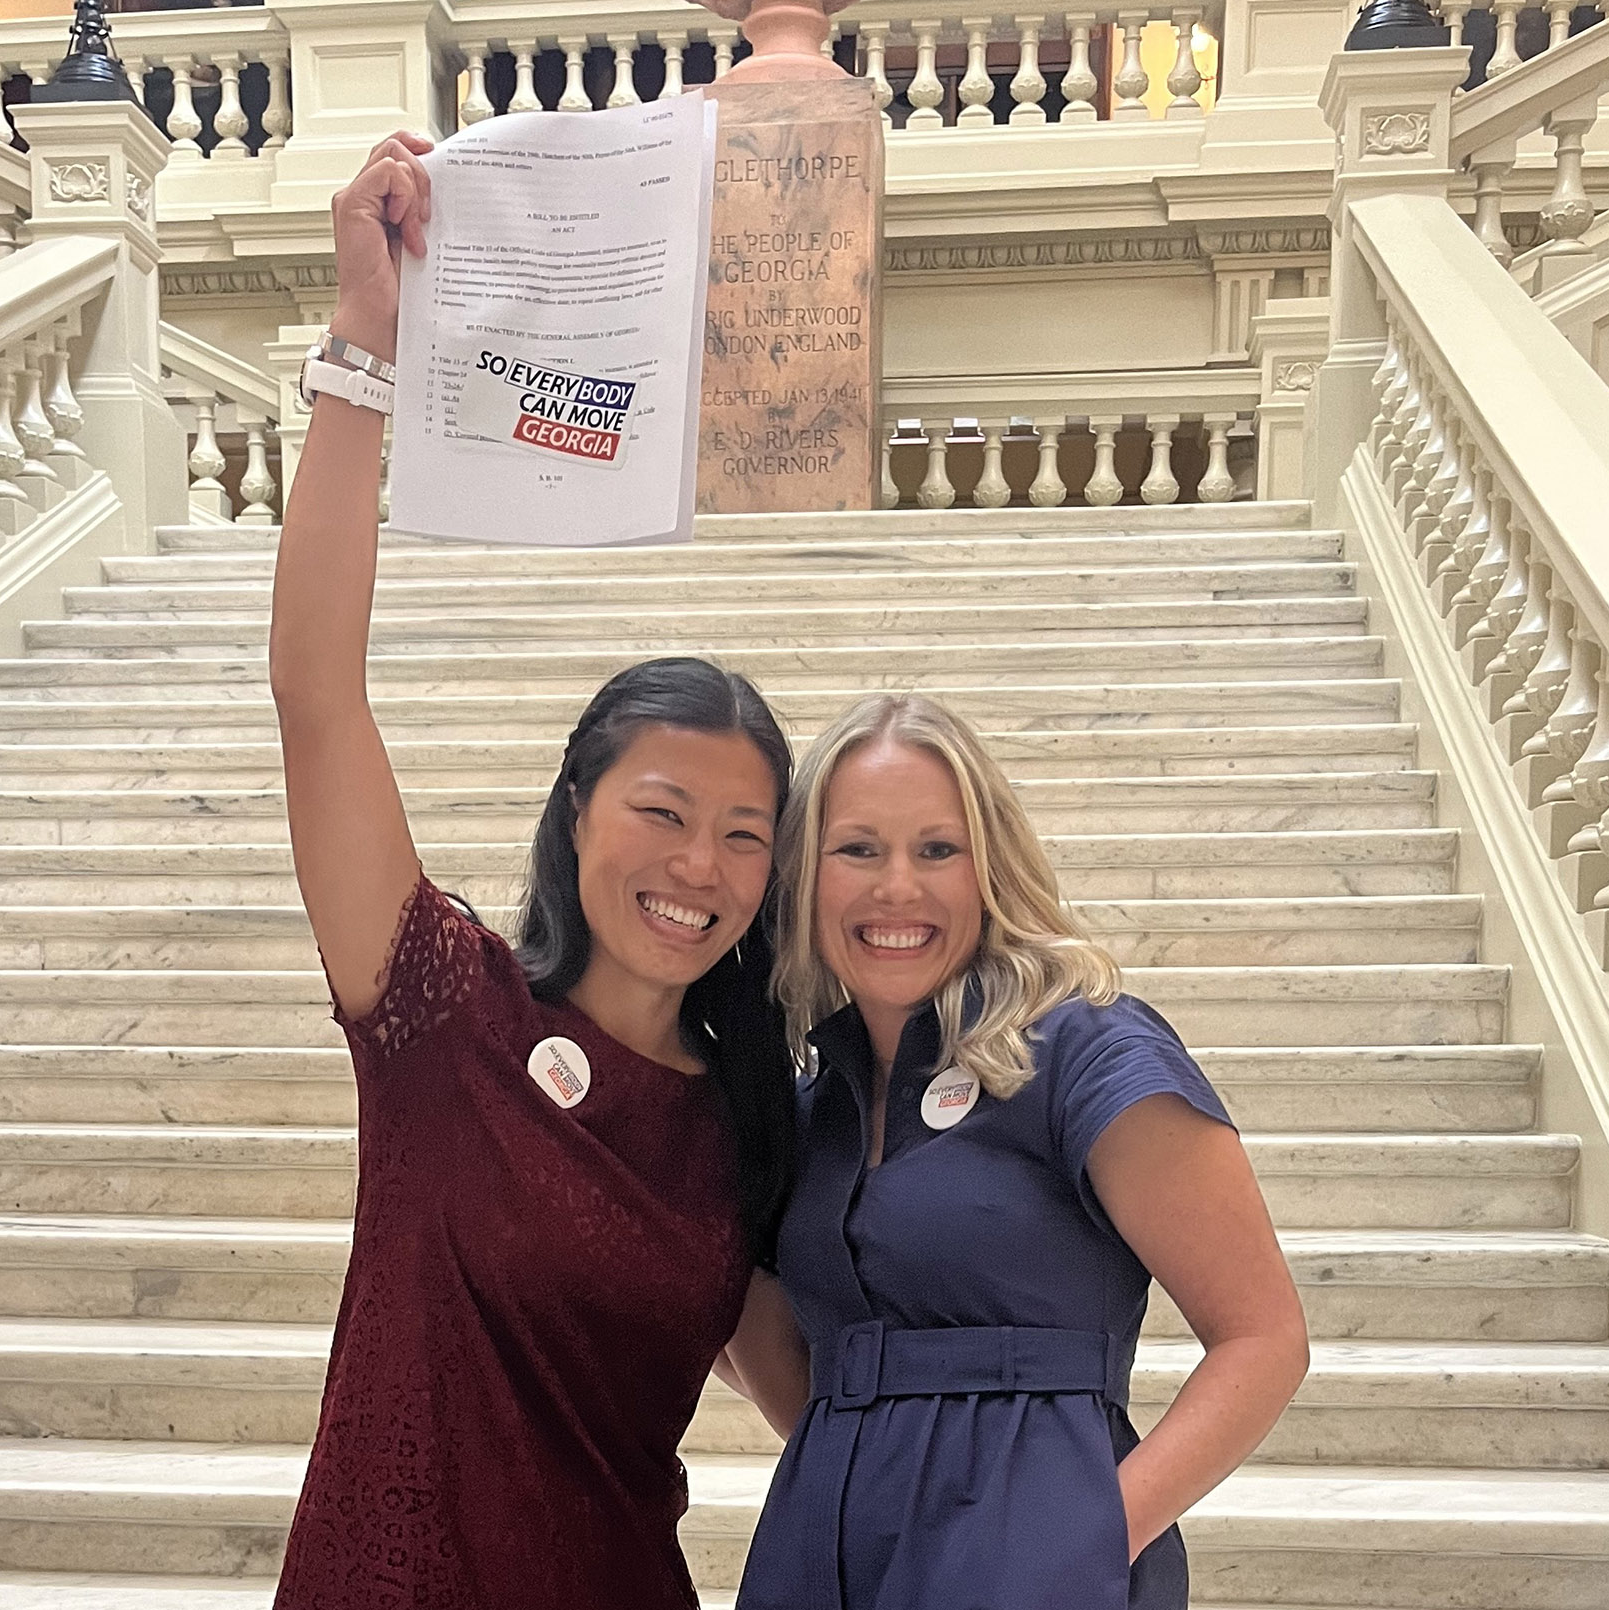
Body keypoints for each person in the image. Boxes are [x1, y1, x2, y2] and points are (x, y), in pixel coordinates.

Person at [268, 132, 802, 1610]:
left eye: (745, 832)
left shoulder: (746, 1123)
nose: (699, 863)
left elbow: (823, 1404)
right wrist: (363, 343)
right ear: (576, 813)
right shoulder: (446, 1011)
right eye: (663, 809)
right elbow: (317, 695)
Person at [730, 691, 1310, 1610]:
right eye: (858, 850)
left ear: (989, 865)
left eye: (938, 849)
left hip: (1044, 1557)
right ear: (802, 875)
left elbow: (1264, 1338)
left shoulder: (1088, 1050)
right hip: (820, 1559)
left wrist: (1082, 1544)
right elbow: (771, 1344)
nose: (897, 888)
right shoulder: (808, 1109)